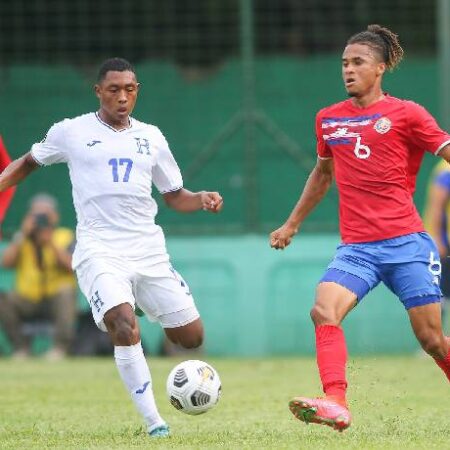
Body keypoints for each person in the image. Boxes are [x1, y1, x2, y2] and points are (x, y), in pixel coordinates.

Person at [0, 57, 223, 438]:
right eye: (114, 89)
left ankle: (149, 307)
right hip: (99, 250)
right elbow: (28, 162)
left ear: (137, 92)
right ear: (99, 91)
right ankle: (155, 422)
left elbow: (174, 196)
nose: (123, 96)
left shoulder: (151, 136)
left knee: (191, 338)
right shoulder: (71, 131)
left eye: (130, 89)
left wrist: (200, 197)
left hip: (149, 252)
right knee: (122, 323)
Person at [270, 24, 450, 432]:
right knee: (323, 310)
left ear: (381, 68)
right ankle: (335, 401)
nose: (348, 70)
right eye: (344, 63)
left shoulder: (407, 114)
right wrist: (291, 224)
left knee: (432, 340)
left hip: (407, 244)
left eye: (358, 63)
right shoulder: (328, 120)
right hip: (358, 249)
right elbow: (321, 175)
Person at [0, 193, 77, 360]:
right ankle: (20, 349)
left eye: (45, 215)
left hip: (54, 299)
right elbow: (5, 263)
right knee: (3, 298)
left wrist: (50, 242)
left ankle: (59, 349)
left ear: (55, 217)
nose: (41, 220)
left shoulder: (65, 236)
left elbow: (72, 266)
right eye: (37, 215)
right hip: (28, 299)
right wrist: (22, 233)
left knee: (66, 291)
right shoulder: (22, 239)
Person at [424, 160, 450, 331]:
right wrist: (437, 239)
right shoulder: (446, 169)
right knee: (440, 295)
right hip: (445, 242)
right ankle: (434, 341)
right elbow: (436, 205)